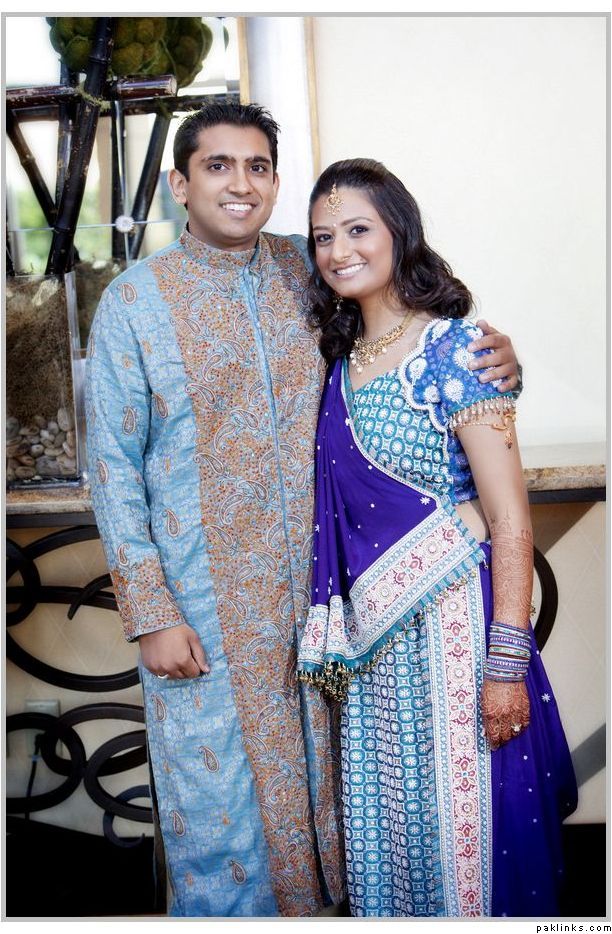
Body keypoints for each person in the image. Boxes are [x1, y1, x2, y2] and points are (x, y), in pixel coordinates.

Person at [85, 103, 520, 918]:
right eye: (217, 166)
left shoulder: (307, 267)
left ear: (276, 181)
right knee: (222, 816)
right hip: (203, 611)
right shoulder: (135, 303)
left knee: (342, 810)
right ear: (180, 184)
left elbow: (404, 327)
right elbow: (110, 467)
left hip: (326, 612)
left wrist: (494, 355)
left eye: (257, 166)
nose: (240, 184)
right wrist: (151, 612)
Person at [297, 158, 577, 918]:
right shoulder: (334, 360)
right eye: (322, 237)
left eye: (358, 229)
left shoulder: (456, 350)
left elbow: (510, 518)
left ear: (399, 232)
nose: (339, 251)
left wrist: (506, 665)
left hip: (459, 634)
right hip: (375, 651)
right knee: (393, 836)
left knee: (472, 834)